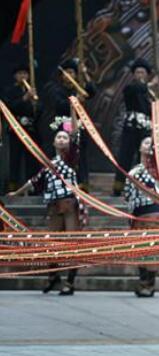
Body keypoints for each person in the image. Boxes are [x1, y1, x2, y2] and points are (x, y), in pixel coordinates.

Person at [8, 121, 82, 295]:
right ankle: (53, 277)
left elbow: (76, 134)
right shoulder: (50, 164)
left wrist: (73, 111)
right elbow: (34, 181)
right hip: (54, 206)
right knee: (51, 242)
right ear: (54, 143)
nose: (62, 140)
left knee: (73, 243)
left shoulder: (71, 159)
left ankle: (69, 282)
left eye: (65, 137)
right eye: (59, 137)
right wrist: (17, 192)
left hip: (70, 204)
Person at [123, 136, 159, 297]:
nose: (150, 145)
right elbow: (127, 194)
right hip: (139, 213)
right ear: (140, 147)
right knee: (142, 248)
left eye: (153, 143)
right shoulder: (134, 172)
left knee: (153, 248)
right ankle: (145, 283)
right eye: (146, 142)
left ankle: (148, 283)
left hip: (156, 212)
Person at [46, 58, 96, 191]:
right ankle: (60, 182)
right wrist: (73, 102)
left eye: (72, 73)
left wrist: (85, 73)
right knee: (62, 154)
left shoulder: (78, 88)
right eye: (66, 73)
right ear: (62, 76)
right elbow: (59, 105)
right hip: (63, 126)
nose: (69, 76)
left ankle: (82, 183)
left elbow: (92, 91)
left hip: (78, 127)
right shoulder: (56, 89)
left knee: (81, 154)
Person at [113, 58, 159, 196]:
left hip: (145, 128)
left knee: (144, 157)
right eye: (137, 72)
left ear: (146, 74)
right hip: (131, 127)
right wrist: (150, 85)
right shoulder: (130, 88)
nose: (140, 75)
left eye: (142, 72)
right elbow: (137, 89)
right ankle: (118, 188)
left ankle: (143, 186)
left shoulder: (150, 93)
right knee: (125, 157)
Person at [2, 64, 39, 192]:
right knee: (15, 159)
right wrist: (24, 98)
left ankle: (32, 187)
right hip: (16, 129)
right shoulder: (10, 91)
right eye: (20, 74)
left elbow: (40, 109)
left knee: (31, 159)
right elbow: (9, 107)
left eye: (25, 73)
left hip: (31, 129)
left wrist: (35, 104)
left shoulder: (33, 89)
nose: (23, 76)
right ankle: (13, 186)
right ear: (15, 76)